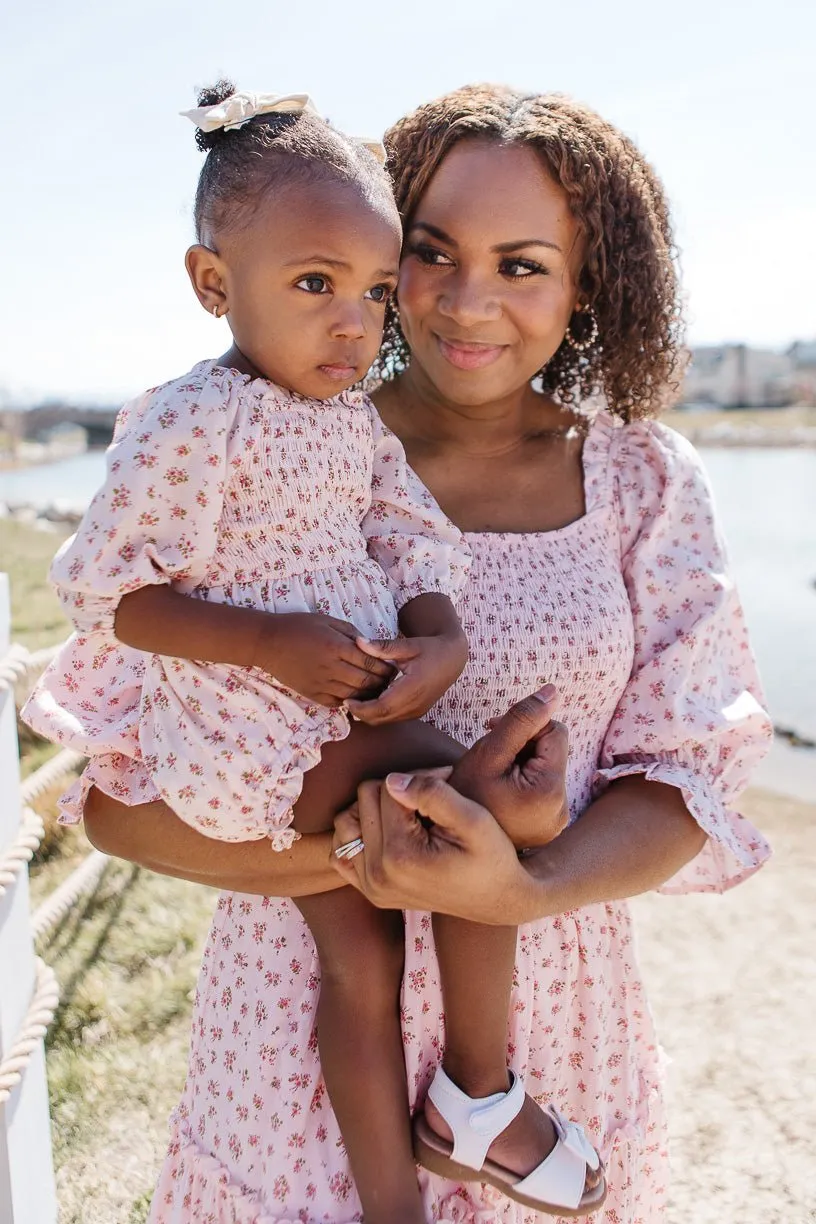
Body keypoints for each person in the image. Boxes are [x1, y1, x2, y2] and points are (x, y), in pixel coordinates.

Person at [78, 84, 772, 1223]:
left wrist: (520, 882)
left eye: (524, 264)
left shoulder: (647, 479)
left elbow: (688, 775)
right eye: (435, 252)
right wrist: (370, 864)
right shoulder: (267, 443)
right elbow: (112, 802)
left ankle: (479, 1099)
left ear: (590, 280)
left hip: (545, 1015)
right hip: (297, 1010)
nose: (468, 301)